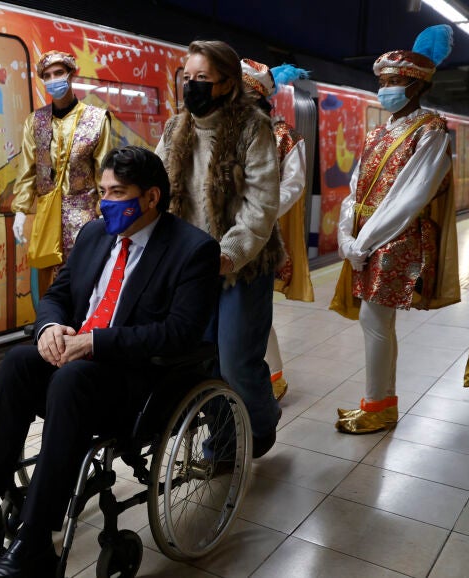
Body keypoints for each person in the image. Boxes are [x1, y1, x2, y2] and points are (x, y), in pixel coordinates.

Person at [0, 146, 220, 577]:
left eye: (117, 192)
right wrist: (49, 328)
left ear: (152, 197)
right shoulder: (94, 235)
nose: (106, 202)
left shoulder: (192, 250)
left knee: (72, 379)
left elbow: (179, 333)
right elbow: (58, 295)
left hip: (138, 382)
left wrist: (94, 342)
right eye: (102, 191)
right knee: (19, 362)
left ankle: (35, 542)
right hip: (78, 365)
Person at [154, 41, 283, 458]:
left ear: (227, 83)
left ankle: (261, 425)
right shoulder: (174, 130)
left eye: (202, 79)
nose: (191, 86)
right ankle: (226, 441)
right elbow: (155, 188)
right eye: (187, 78)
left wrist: (226, 256)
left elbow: (261, 205)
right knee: (201, 360)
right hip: (190, 267)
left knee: (236, 361)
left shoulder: (252, 128)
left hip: (241, 264)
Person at [333, 25, 461, 434]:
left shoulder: (431, 131)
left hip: (396, 239)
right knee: (373, 321)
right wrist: (345, 234)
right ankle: (379, 403)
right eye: (383, 82)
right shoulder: (379, 131)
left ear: (418, 86)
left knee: (375, 319)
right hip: (366, 238)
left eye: (394, 82)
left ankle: (379, 406)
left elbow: (410, 197)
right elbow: (355, 187)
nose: (385, 89)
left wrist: (363, 242)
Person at [11, 50, 114, 294]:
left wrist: (105, 212)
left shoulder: (96, 119)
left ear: (70, 75)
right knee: (50, 285)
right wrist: (20, 211)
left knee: (85, 283)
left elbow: (105, 172)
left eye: (58, 73)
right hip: (47, 218)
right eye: (47, 76)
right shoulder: (35, 122)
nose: (53, 79)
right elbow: (28, 170)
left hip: (85, 218)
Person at [240, 59, 314, 401]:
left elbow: (293, 185)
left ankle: (274, 376)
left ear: (256, 96)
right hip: (224, 233)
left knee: (255, 308)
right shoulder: (223, 131)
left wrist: (259, 213)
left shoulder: (285, 136)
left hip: (260, 232)